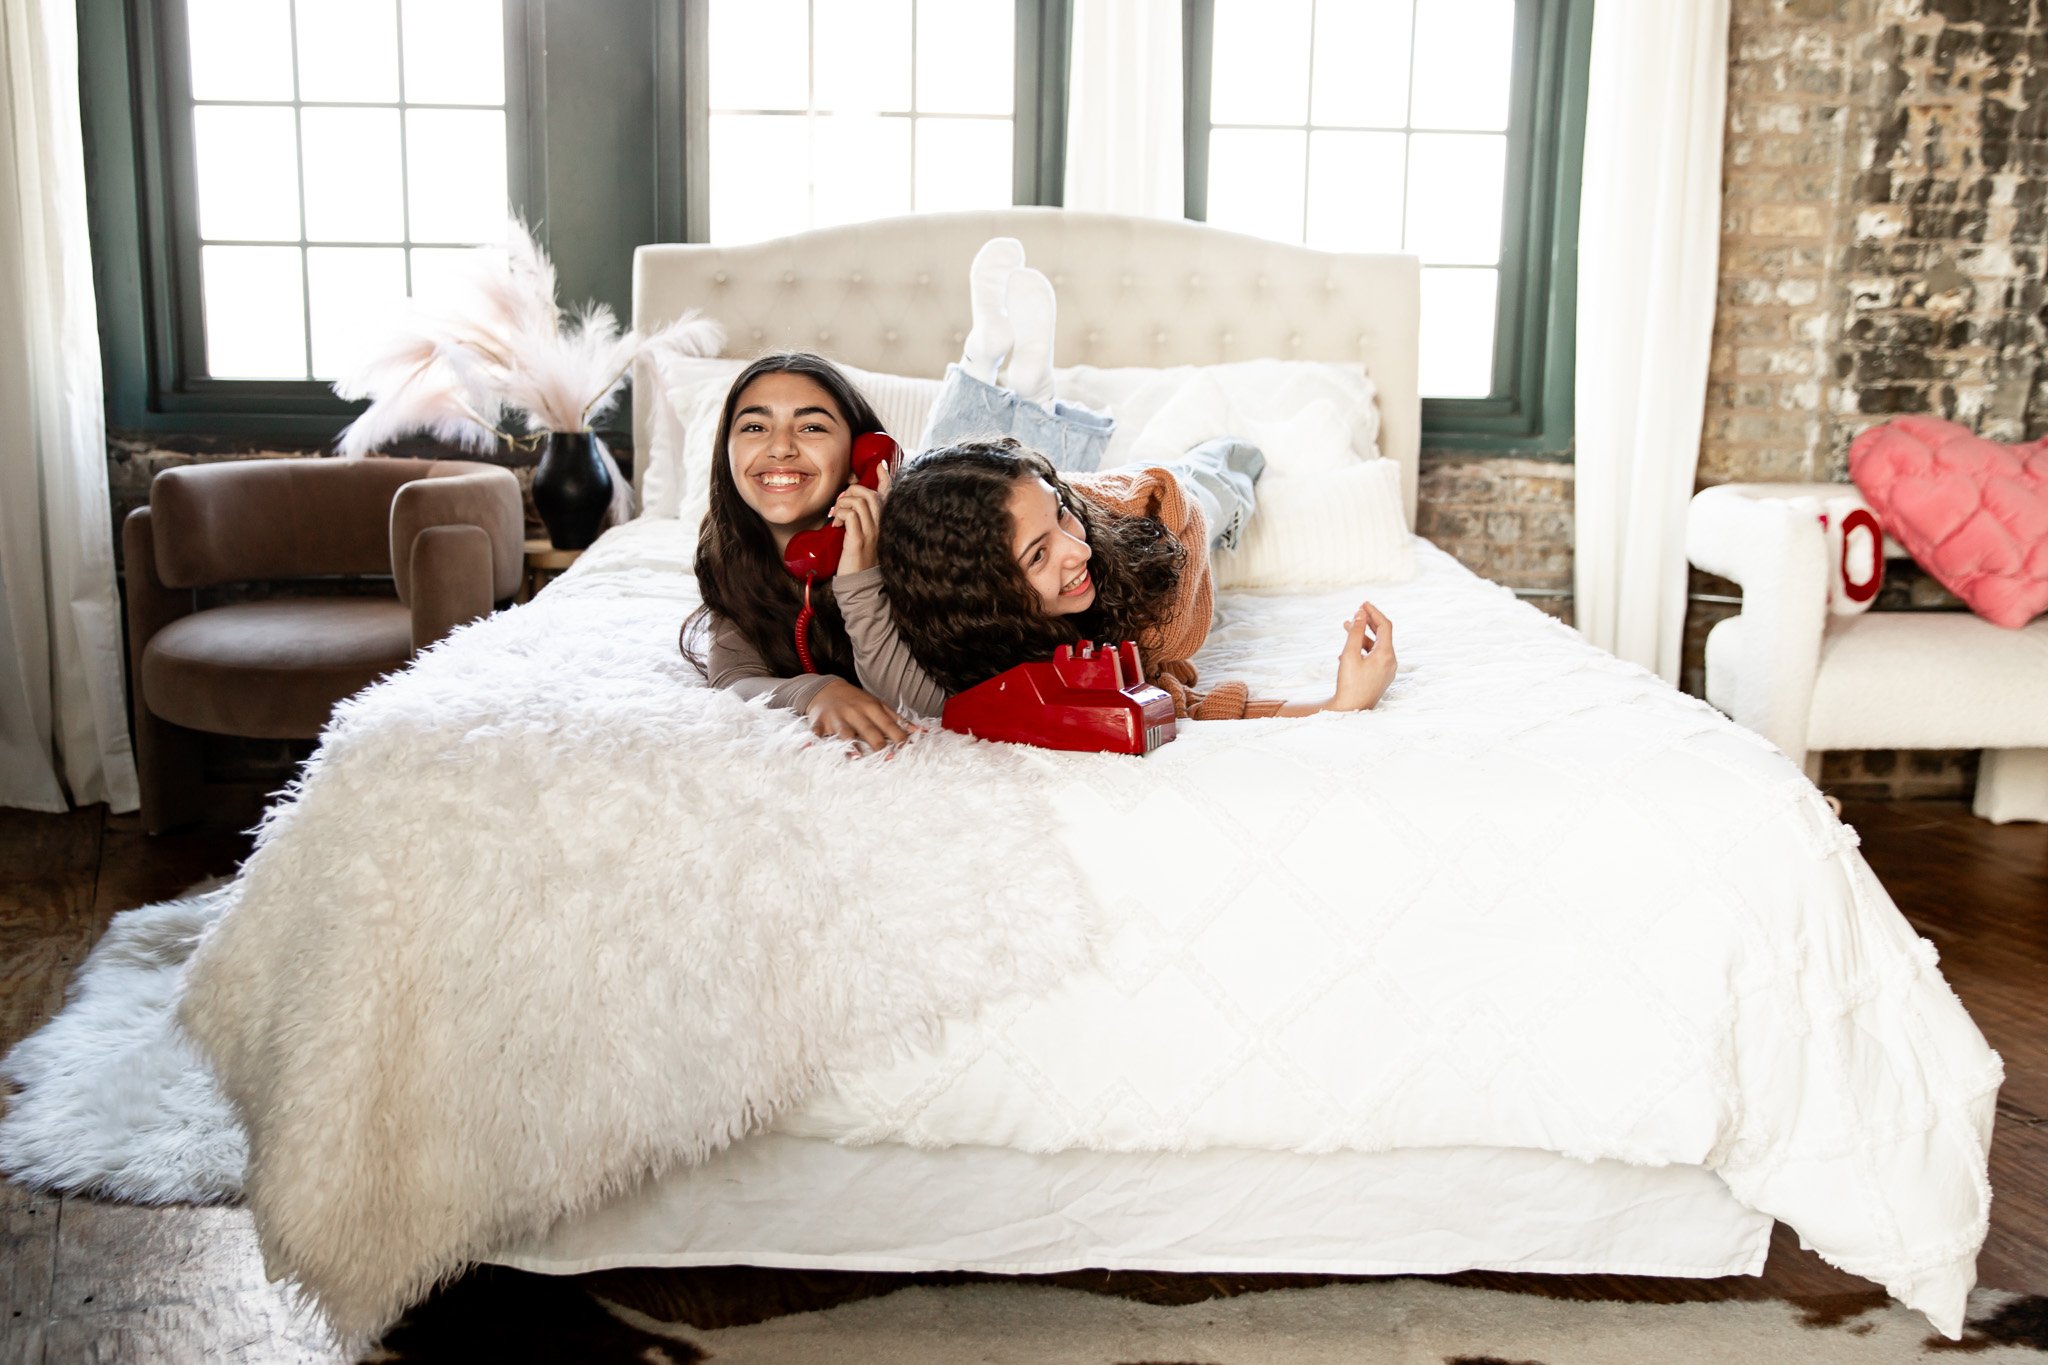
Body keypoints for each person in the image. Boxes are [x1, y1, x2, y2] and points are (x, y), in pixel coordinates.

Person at [872, 440, 1398, 721]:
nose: (1076, 551)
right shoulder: (958, 629)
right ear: (980, 601)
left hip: (1169, 513)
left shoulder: (1138, 546)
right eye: (1038, 556)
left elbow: (1173, 700)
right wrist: (1333, 706)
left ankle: (1223, 452)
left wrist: (1337, 706)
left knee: (1221, 483)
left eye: (1062, 517)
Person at [678, 352, 915, 748]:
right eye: (755, 426)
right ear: (727, 452)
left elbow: (913, 698)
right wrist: (815, 691)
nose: (781, 447)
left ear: (859, 457)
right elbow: (733, 679)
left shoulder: (913, 551)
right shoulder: (734, 554)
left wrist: (861, 576)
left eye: (810, 427)